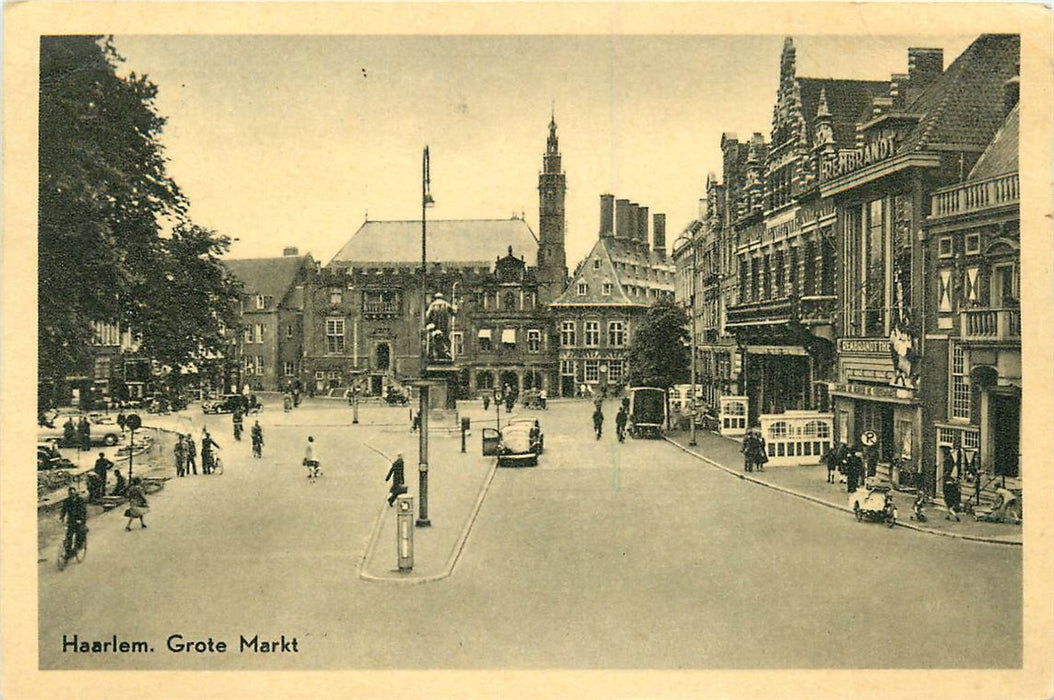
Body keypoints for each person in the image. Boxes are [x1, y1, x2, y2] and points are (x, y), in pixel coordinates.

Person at [59, 486, 88, 560]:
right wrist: (62, 517)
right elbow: (63, 510)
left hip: (79, 520)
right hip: (71, 521)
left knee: (80, 533)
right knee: (68, 537)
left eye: (72, 493)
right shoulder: (66, 501)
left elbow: (83, 511)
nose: (71, 495)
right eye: (70, 494)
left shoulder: (80, 500)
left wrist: (81, 520)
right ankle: (68, 553)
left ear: (75, 493)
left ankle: (78, 547)